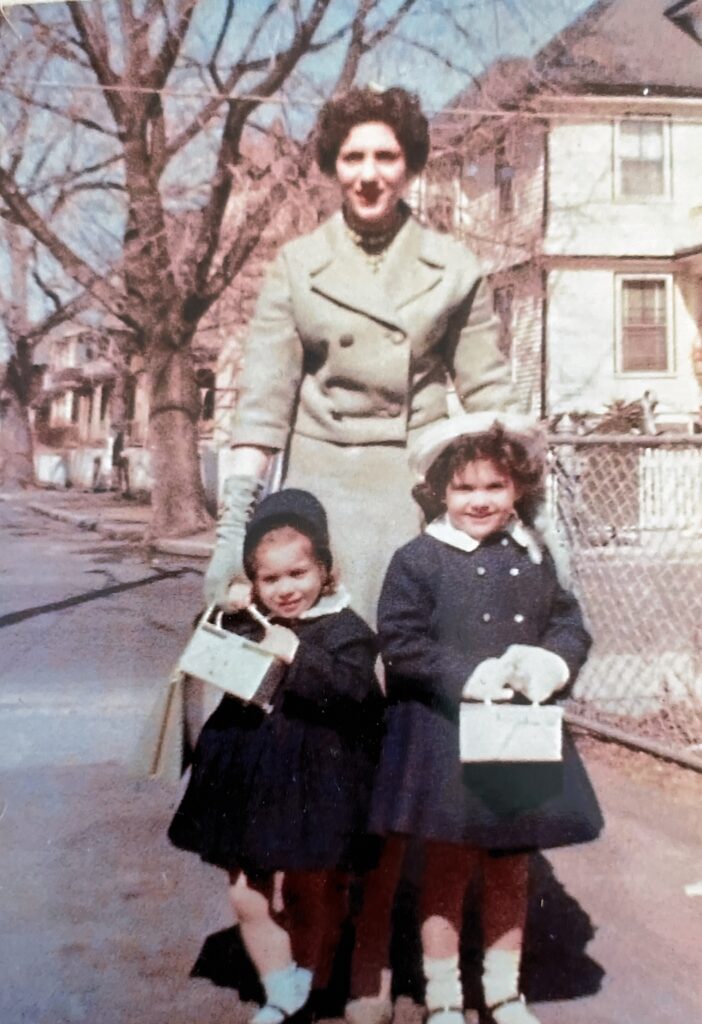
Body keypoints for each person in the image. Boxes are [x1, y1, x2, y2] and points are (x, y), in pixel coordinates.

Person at [204, 85, 516, 624]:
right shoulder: (296, 266)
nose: (368, 175)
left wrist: (528, 509)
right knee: (314, 665)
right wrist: (234, 531)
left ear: (410, 165)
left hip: (413, 486)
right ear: (333, 166)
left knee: (404, 656)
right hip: (318, 491)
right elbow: (262, 409)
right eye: (353, 157)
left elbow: (488, 392)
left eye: (386, 156)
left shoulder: (455, 267)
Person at [348, 412, 603, 1024]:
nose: (480, 501)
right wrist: (467, 675)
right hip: (446, 734)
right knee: (448, 864)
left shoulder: (534, 555)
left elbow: (569, 623)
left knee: (511, 865)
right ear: (439, 492)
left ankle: (503, 992)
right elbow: (401, 641)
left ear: (517, 489)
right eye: (464, 488)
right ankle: (443, 995)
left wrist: (550, 662)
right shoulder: (419, 559)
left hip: (518, 733)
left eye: (494, 486)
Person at [168, 489, 382, 1024]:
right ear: (253, 581)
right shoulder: (247, 617)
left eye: (298, 574)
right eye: (270, 579)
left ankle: (304, 979)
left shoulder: (346, 629)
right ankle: (281, 984)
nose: (286, 590)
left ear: (325, 570)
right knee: (246, 892)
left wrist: (298, 653)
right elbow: (205, 647)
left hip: (315, 782)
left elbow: (357, 693)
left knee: (311, 887)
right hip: (247, 777)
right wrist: (224, 607)